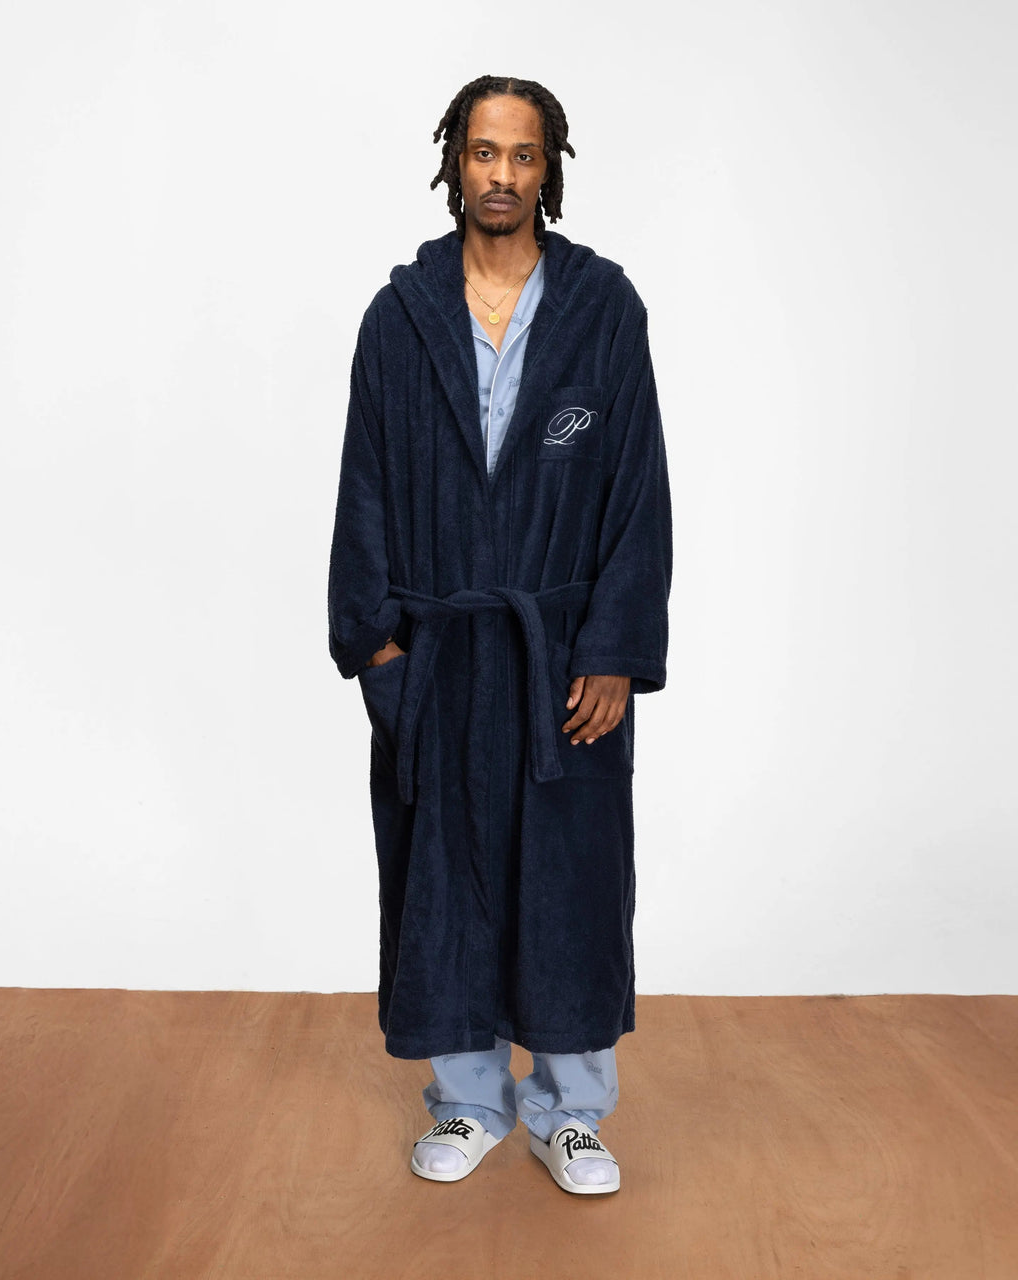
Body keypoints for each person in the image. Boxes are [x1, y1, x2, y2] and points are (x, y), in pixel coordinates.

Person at [327, 75, 671, 1196]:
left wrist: (614, 645)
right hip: (440, 657)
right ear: (454, 163)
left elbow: (638, 492)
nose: (502, 174)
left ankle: (571, 1112)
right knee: (444, 873)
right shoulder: (400, 317)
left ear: (548, 168)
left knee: (570, 879)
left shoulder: (602, 309)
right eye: (484, 152)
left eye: (523, 155)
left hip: (560, 656)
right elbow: (363, 485)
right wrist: (379, 650)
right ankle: (469, 1100)